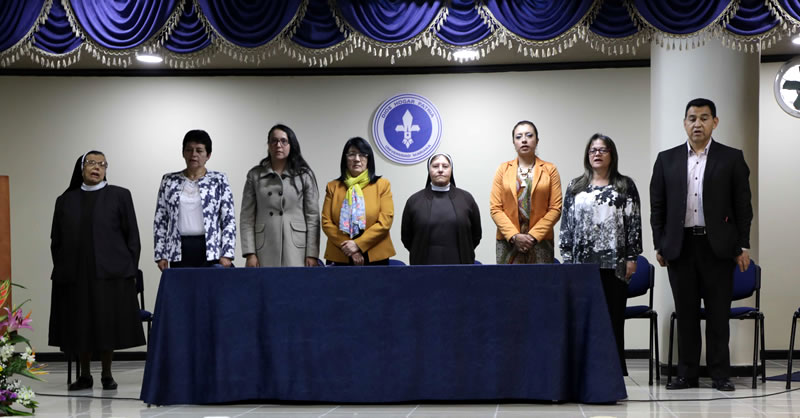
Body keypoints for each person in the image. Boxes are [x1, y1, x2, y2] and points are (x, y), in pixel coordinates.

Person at [650, 98, 753, 392]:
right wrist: (660, 243)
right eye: (692, 118)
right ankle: (687, 373)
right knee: (686, 314)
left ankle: (720, 374)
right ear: (684, 123)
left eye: (704, 118)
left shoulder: (731, 158)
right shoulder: (666, 159)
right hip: (680, 247)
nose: (698, 124)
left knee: (718, 313)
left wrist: (743, 246)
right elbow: (658, 206)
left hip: (718, 247)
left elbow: (743, 207)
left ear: (715, 122)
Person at [49, 151, 146, 391]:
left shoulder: (120, 196)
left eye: (102, 164)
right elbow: (56, 240)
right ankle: (84, 375)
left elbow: (132, 236)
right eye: (91, 163)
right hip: (75, 276)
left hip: (111, 275)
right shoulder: (65, 200)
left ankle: (106, 373)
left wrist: (129, 270)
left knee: (106, 324)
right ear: (81, 167)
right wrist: (64, 269)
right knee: (80, 323)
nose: (97, 167)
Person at [559, 133, 642, 376]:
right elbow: (566, 224)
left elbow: (633, 223)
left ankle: (614, 371)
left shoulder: (625, 185)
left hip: (615, 263)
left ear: (612, 155)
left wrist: (632, 257)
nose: (597, 153)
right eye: (593, 150)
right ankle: (583, 370)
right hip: (582, 263)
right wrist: (566, 258)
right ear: (588, 155)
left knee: (613, 317)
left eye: (603, 150)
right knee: (584, 318)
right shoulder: (575, 186)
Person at [154, 130, 236, 270]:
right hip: (179, 249)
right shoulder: (169, 180)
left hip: (210, 250)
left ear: (208, 155)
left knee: (211, 291)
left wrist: (227, 253)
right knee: (183, 291)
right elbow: (160, 219)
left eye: (199, 150)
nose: (194, 155)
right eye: (189, 150)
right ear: (183, 153)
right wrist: (161, 253)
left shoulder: (219, 180)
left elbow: (228, 219)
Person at [240, 124, 320, 267]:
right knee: (266, 288)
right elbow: (247, 217)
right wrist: (250, 254)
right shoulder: (255, 175)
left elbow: (313, 217)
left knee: (295, 287)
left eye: (284, 141)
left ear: (291, 145)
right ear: (268, 144)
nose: (279, 145)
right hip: (264, 247)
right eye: (274, 141)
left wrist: (312, 254)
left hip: (297, 247)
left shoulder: (304, 175)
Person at [490, 120, 562, 264]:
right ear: (513, 142)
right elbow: (495, 208)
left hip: (540, 241)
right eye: (518, 137)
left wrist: (533, 236)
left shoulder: (550, 169)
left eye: (529, 135)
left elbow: (555, 208)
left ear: (537, 140)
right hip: (508, 241)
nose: (524, 140)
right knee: (509, 285)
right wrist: (515, 236)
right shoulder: (503, 169)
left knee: (540, 284)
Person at [321, 137, 395, 265]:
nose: (356, 159)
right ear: (345, 158)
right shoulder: (333, 187)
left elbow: (385, 221)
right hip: (341, 253)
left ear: (368, 159)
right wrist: (350, 249)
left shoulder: (382, 185)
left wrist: (357, 244)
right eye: (352, 154)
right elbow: (326, 222)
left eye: (362, 155)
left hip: (375, 255)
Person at [401, 153, 481, 265]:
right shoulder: (414, 201)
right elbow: (407, 238)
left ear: (451, 170)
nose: (440, 170)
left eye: (445, 166)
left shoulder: (466, 199)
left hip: (460, 266)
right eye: (435, 166)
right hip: (423, 268)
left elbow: (476, 236)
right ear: (429, 170)